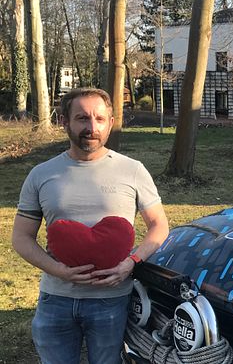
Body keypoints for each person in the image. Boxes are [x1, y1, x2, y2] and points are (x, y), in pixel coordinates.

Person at [12, 88, 170, 364]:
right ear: (65, 121)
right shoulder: (41, 174)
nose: (91, 127)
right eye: (82, 118)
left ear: (110, 122)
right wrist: (60, 271)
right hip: (55, 299)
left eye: (99, 118)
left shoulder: (132, 170)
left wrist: (131, 262)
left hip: (112, 300)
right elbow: (22, 238)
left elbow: (159, 225)